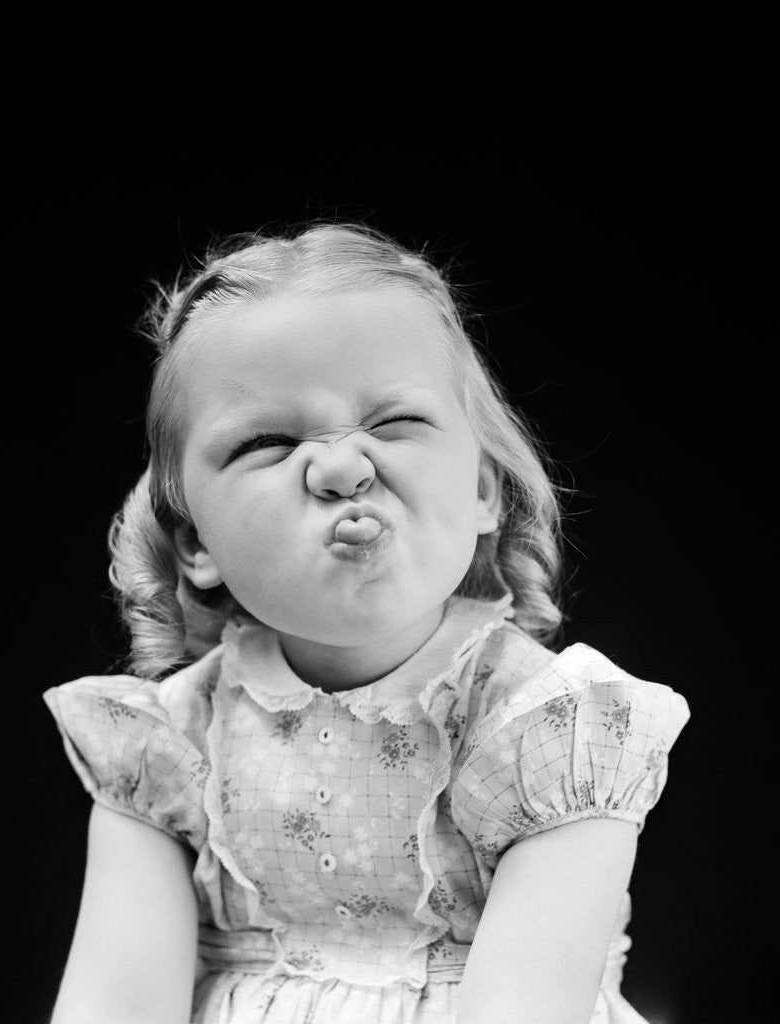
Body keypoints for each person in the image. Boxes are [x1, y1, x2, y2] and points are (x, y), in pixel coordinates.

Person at [44, 222, 690, 1024]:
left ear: (484, 489)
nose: (343, 467)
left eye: (393, 424)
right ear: (194, 542)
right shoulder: (164, 750)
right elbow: (114, 1003)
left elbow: (523, 1007)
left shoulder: (549, 734)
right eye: (268, 441)